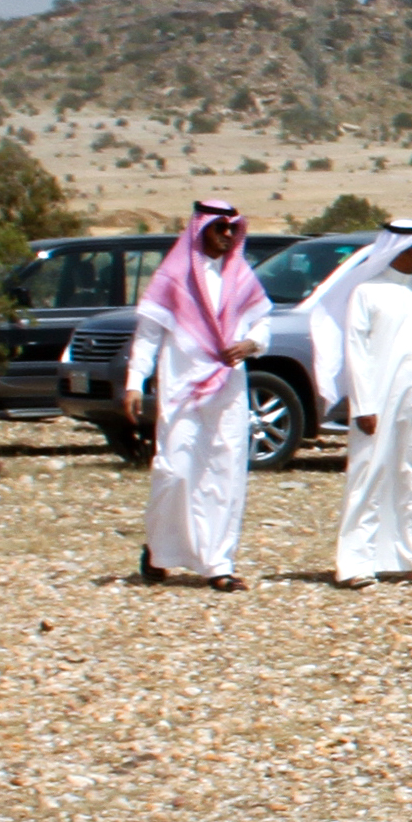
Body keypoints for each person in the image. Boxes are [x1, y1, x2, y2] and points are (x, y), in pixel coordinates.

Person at [126, 200, 270, 589]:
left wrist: (250, 344)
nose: (227, 235)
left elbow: (263, 324)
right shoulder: (173, 278)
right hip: (183, 391)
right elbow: (148, 334)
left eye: (231, 229)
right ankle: (159, 552)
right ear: (200, 228)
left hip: (228, 390)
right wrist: (134, 382)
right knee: (174, 471)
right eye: (219, 228)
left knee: (224, 472)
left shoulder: (239, 277)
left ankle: (218, 564)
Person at [305, 218, 412, 588]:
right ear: (400, 249)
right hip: (378, 401)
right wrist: (364, 405)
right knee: (369, 476)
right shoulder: (366, 292)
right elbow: (354, 350)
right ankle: (355, 562)